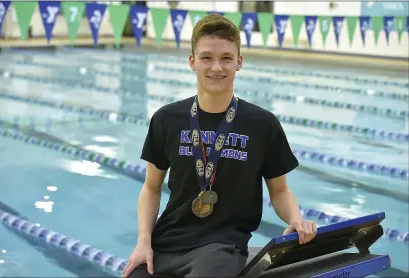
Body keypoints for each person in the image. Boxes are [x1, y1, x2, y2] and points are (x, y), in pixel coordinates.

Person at [123, 13, 317, 278]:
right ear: (192, 62)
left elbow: (280, 190)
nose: (217, 67)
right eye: (206, 58)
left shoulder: (262, 124)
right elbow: (151, 187)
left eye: (226, 58)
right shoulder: (167, 119)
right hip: (167, 242)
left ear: (239, 62)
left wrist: (295, 219)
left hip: (222, 245)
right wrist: (144, 240)